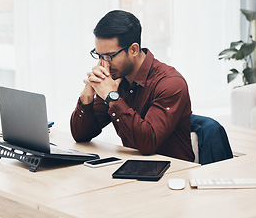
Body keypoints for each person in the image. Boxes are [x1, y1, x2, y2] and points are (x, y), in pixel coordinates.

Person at [70, 10, 194, 162]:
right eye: (99, 56)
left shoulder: (170, 83)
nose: (104, 64)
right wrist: (87, 95)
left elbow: (148, 142)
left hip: (172, 174)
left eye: (110, 56)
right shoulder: (116, 79)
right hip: (134, 169)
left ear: (134, 49)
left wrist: (112, 98)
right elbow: (81, 135)